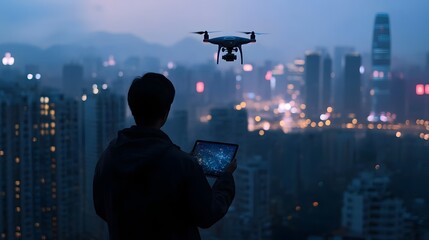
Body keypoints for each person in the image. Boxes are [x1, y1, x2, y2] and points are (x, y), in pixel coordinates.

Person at [93, 72, 236, 240]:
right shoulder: (183, 164)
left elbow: (101, 208)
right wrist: (225, 178)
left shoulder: (108, 157)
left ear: (132, 109)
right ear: (166, 112)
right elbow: (207, 215)